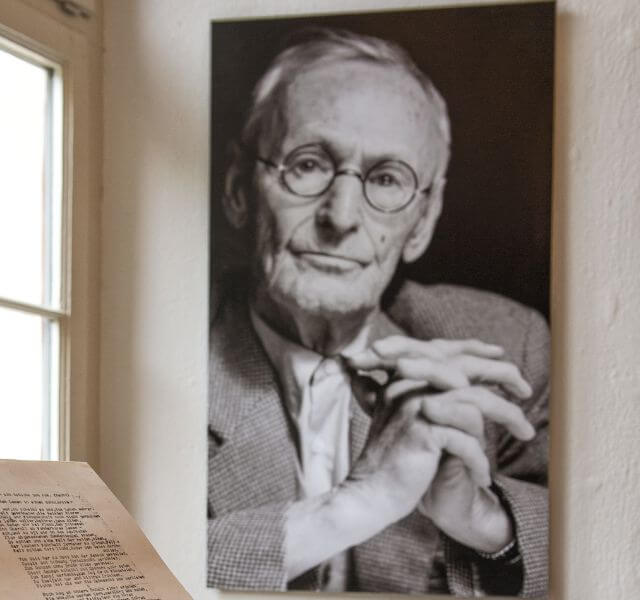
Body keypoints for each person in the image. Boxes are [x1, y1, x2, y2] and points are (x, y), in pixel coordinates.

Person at [207, 28, 548, 596]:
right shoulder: (152, 336)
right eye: (308, 165)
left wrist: (486, 522)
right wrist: (358, 503)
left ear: (423, 221)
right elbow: (80, 569)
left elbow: (598, 540)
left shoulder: (509, 346)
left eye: (387, 179)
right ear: (238, 188)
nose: (341, 217)